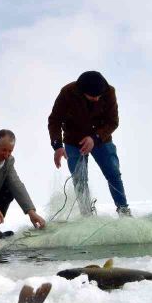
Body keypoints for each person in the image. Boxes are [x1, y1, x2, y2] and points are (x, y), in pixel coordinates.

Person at [47, 71, 131, 217]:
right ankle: (87, 216)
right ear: (82, 92)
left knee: (113, 174)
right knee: (80, 180)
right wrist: (57, 146)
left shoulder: (109, 92)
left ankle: (123, 210)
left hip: (101, 140)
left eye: (99, 95)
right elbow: (54, 120)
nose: (97, 98)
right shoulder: (67, 92)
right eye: (93, 96)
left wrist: (95, 137)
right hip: (73, 142)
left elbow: (113, 122)